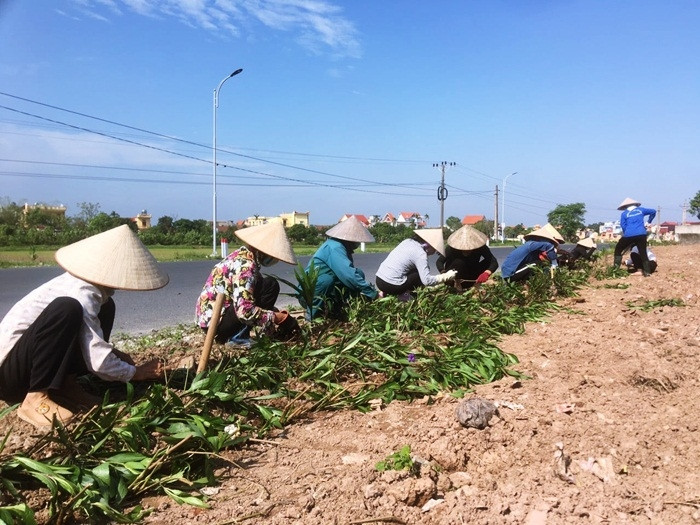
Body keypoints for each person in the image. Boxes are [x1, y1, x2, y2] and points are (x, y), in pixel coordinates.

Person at [0, 225, 169, 429]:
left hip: (27, 364)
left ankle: (65, 386)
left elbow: (86, 337)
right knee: (66, 308)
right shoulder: (81, 293)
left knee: (106, 307)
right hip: (9, 377)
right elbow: (98, 363)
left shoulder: (92, 291)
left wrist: (116, 353)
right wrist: (137, 372)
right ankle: (35, 398)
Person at [196, 221, 300, 347]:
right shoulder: (246, 267)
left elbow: (250, 294)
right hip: (216, 325)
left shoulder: (242, 255)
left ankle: (240, 334)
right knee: (270, 286)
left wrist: (272, 313)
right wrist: (278, 318)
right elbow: (245, 311)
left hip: (215, 318)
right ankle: (237, 337)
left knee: (267, 285)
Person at [306, 216, 378, 320]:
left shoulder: (343, 247)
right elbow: (348, 275)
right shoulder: (335, 247)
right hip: (312, 292)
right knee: (327, 280)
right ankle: (312, 316)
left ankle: (339, 310)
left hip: (328, 289)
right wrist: (373, 294)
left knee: (359, 273)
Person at [374, 228, 456, 298]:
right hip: (392, 286)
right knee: (418, 275)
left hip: (379, 280)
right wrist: (446, 276)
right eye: (435, 249)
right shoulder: (420, 254)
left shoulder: (407, 241)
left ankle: (383, 292)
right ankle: (404, 295)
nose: (434, 252)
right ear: (429, 245)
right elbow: (427, 281)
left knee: (416, 269)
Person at [436, 225, 498, 291]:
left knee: (488, 261)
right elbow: (439, 262)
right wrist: (444, 274)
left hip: (470, 277)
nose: (467, 250)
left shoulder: (481, 248)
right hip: (453, 278)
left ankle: (476, 284)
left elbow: (493, 262)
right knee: (459, 262)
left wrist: (487, 273)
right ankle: (457, 284)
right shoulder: (451, 249)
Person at [613, 197, 656, 277]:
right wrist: (648, 222)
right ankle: (647, 272)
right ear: (635, 205)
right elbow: (653, 211)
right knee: (643, 253)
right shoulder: (641, 210)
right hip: (641, 234)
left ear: (625, 207)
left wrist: (628, 235)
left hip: (629, 234)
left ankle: (615, 270)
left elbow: (623, 226)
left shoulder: (624, 214)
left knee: (618, 249)